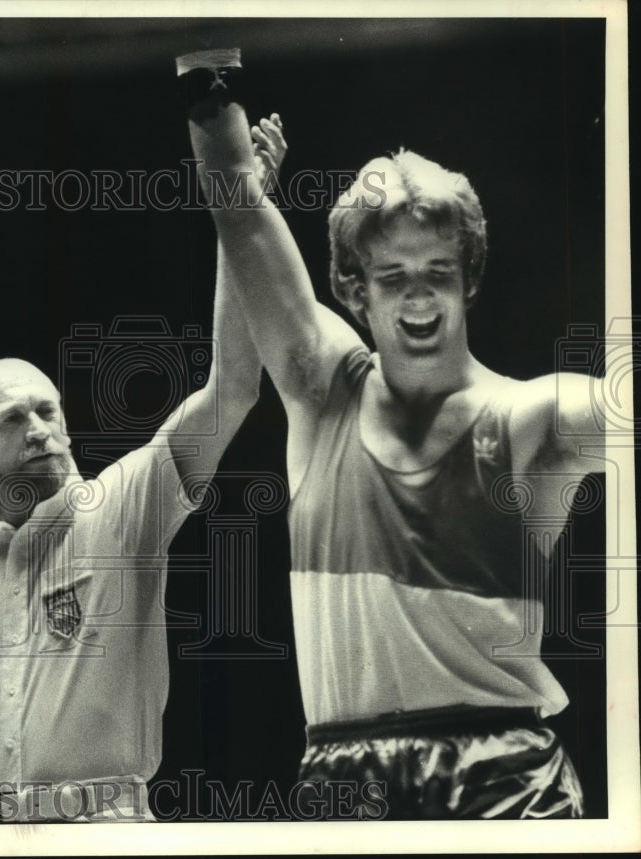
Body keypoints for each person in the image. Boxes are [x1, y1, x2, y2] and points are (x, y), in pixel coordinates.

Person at [177, 47, 605, 819]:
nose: (420, 299)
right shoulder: (321, 388)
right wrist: (206, 63)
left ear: (467, 277)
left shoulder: (531, 416)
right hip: (345, 776)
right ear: (351, 287)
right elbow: (237, 209)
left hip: (503, 771)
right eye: (394, 276)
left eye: (437, 271)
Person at [0, 144, 287, 822]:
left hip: (106, 829)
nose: (39, 428)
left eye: (48, 410)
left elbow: (234, 388)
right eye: (14, 418)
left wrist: (239, 211)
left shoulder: (124, 504)